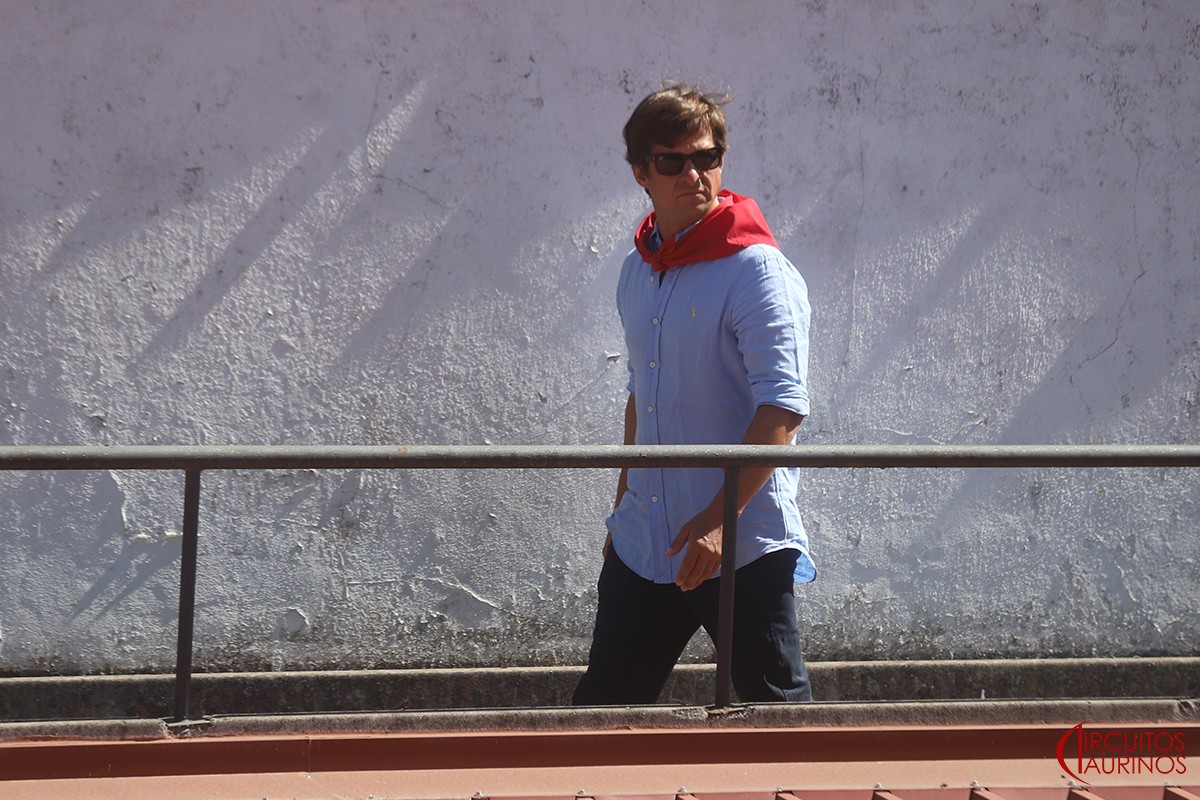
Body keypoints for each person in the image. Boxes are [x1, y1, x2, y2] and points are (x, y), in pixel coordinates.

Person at [572, 84, 815, 705]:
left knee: (777, 721)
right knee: (601, 717)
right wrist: (623, 507)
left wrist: (716, 522)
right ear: (640, 172)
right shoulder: (638, 269)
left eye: (707, 157)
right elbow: (642, 395)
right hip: (645, 539)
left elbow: (783, 410)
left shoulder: (756, 270)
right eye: (672, 161)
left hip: (738, 543)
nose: (694, 174)